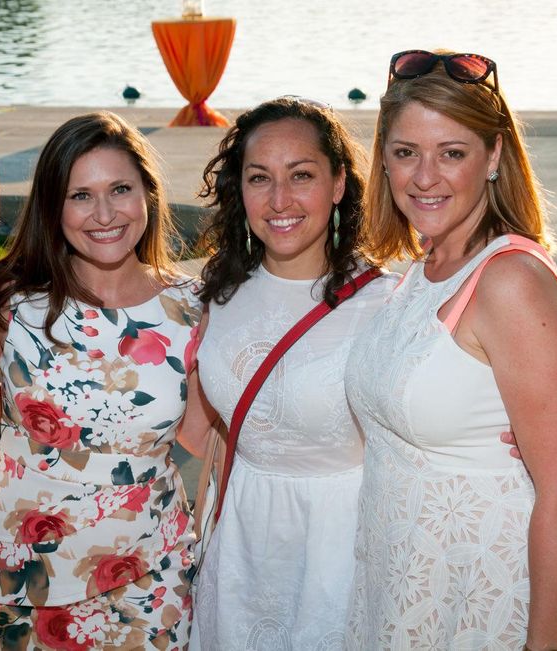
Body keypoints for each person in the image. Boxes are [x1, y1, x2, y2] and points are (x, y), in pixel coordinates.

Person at [344, 50, 557, 649]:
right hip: (404, 586)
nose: (425, 176)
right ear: (383, 159)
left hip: (485, 596)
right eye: (405, 152)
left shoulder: (510, 281)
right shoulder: (423, 267)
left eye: (452, 153)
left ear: (493, 157)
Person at [0, 111, 201, 649]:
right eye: (80, 195)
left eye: (120, 189)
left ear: (148, 192)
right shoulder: (14, 307)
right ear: (53, 206)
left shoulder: (193, 308)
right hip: (19, 567)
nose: (104, 214)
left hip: (153, 562)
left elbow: (213, 431)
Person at [181, 96, 399, 649]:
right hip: (241, 544)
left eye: (301, 175)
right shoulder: (222, 292)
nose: (280, 200)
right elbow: (201, 434)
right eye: (260, 178)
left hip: (343, 547)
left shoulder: (388, 304)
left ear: (339, 184)